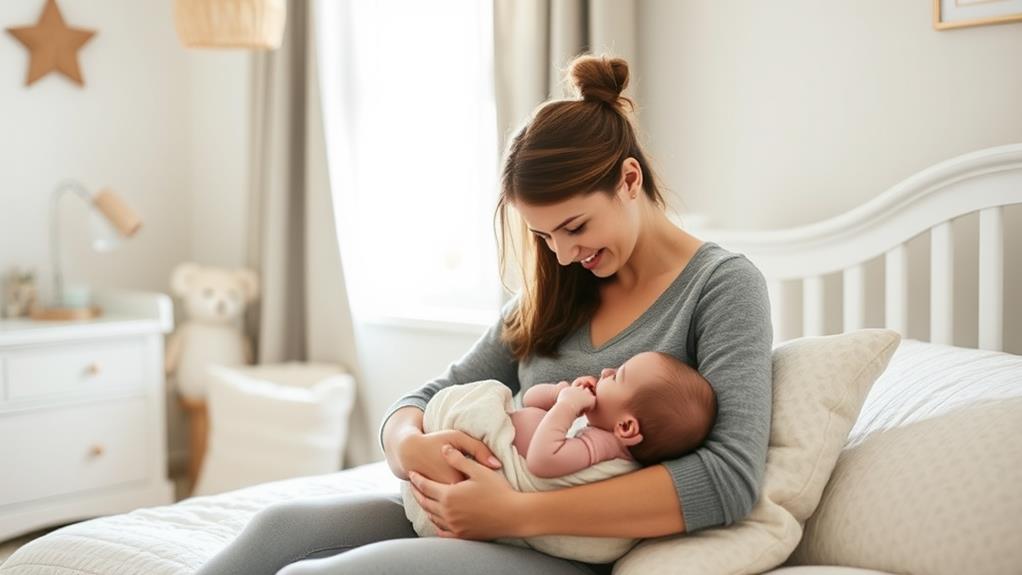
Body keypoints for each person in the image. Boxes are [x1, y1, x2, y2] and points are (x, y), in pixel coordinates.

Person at [195, 53, 772, 575]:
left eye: (575, 227)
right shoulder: (559, 292)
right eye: (544, 237)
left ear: (628, 179)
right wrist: (405, 445)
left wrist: (517, 512)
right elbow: (425, 398)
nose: (565, 254)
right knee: (278, 532)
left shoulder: (720, 288)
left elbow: (728, 479)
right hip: (477, 517)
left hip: (561, 548)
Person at [512, 351, 717, 478]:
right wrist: (559, 393)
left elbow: (541, 461)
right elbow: (529, 400)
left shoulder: (603, 447)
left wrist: (566, 406)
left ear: (626, 427)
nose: (606, 371)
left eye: (618, 376)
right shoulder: (599, 424)